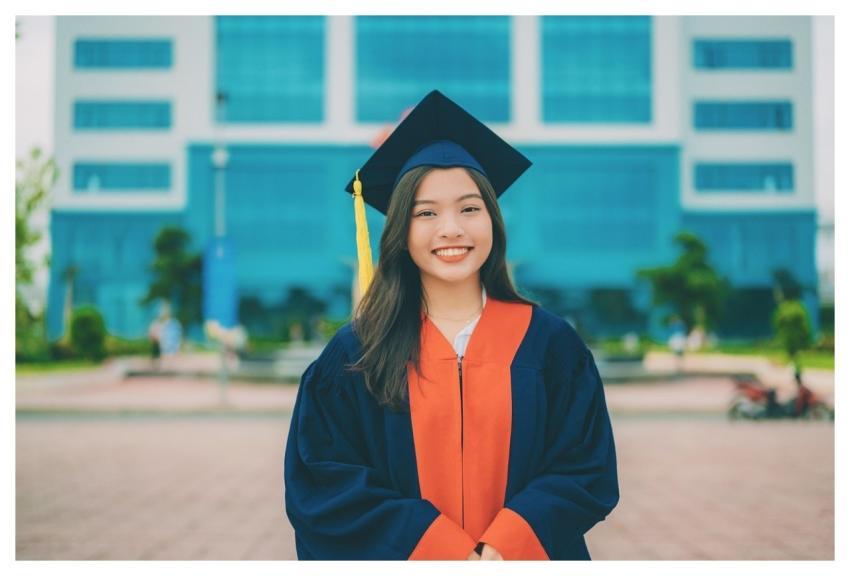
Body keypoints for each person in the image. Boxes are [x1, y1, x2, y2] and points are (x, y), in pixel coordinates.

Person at [284, 90, 619, 560]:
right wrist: (439, 549)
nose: (451, 229)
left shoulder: (549, 344)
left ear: (493, 221)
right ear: (400, 230)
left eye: (469, 208)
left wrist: (506, 544)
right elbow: (324, 481)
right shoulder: (357, 352)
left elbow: (585, 466)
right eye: (426, 213)